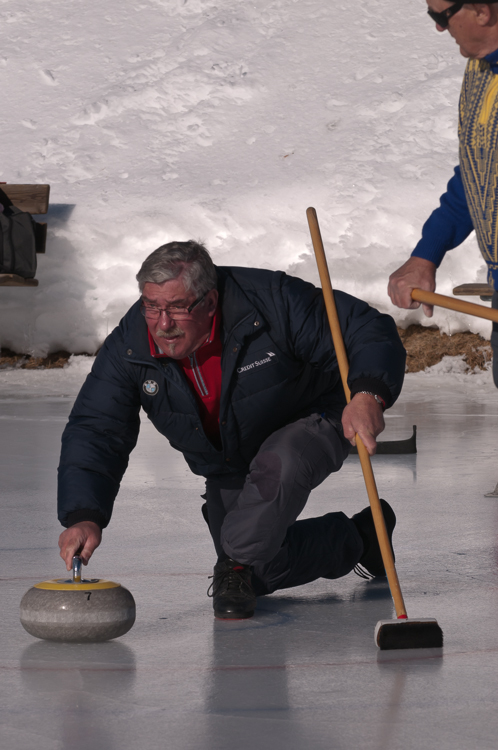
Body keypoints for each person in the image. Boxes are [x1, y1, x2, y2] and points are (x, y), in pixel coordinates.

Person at [58, 240, 405, 619]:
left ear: (209, 301)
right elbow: (97, 429)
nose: (162, 324)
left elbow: (367, 328)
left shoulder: (270, 301)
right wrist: (84, 514)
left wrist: (368, 393)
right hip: (227, 456)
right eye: (151, 306)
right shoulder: (130, 346)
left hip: (316, 415)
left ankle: (238, 560)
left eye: (177, 308)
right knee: (256, 569)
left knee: (277, 472)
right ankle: (362, 539)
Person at [388, 0, 498, 496]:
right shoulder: (480, 70)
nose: (436, 27)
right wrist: (425, 254)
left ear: (481, 10)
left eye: (441, 14)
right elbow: (476, 173)